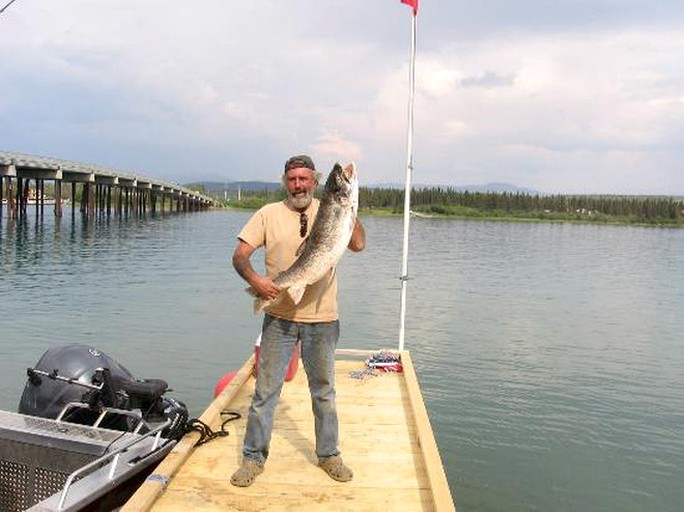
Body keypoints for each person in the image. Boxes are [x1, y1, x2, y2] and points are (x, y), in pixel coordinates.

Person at [230, 154, 366, 487]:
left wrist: (349, 209)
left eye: (304, 179)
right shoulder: (268, 214)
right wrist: (259, 282)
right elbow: (239, 256)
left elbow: (359, 244)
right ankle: (253, 459)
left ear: (315, 181)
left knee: (324, 392)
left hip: (323, 319)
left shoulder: (333, 207)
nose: (298, 185)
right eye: (292, 179)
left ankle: (329, 455)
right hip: (279, 318)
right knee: (265, 393)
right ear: (284, 181)